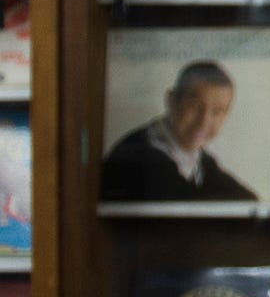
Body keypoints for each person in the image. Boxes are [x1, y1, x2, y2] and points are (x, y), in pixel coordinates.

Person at [102, 61, 255, 201]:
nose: (204, 121)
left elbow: (248, 201)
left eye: (217, 112)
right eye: (196, 106)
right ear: (171, 101)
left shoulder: (202, 162)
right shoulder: (134, 156)